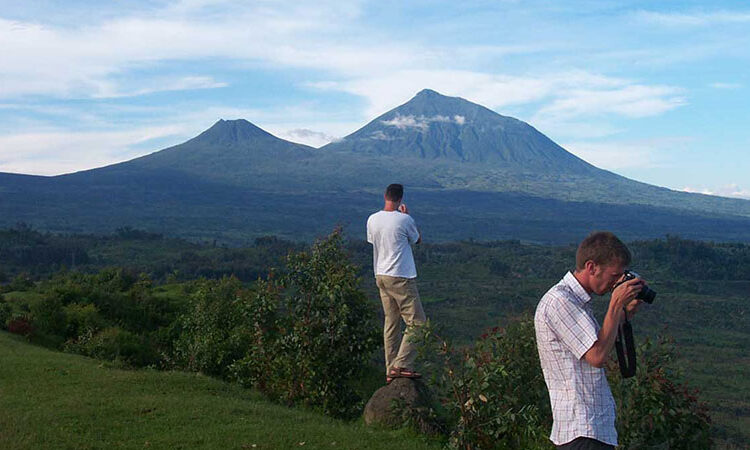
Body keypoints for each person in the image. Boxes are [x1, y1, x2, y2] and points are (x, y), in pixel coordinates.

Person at [534, 231, 646, 450]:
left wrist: (625, 314)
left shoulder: (578, 302)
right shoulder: (561, 301)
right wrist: (615, 304)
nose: (616, 283)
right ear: (591, 267)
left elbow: (598, 343)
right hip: (582, 431)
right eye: (614, 276)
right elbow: (596, 356)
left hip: (591, 430)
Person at [367, 183, 427, 384]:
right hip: (400, 276)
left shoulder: (372, 219)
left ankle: (390, 368)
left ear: (385, 195)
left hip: (380, 275)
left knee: (391, 322)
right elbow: (417, 240)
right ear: (400, 199)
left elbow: (374, 242)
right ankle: (401, 365)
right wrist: (406, 215)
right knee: (418, 323)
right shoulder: (404, 220)